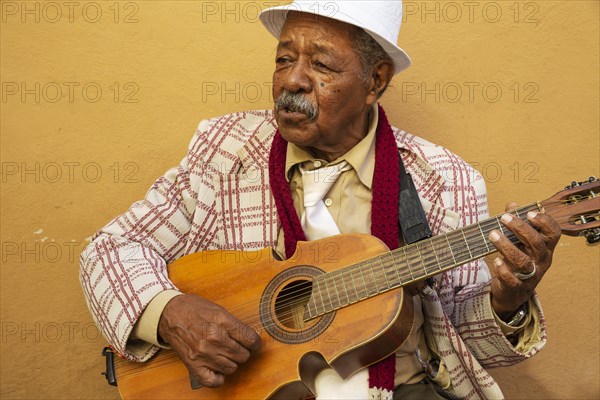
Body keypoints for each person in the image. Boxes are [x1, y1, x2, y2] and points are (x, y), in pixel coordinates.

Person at [80, 1, 561, 399]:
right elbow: (107, 250)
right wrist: (169, 314)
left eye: (323, 65)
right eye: (284, 59)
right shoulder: (225, 149)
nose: (292, 81)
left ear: (375, 81)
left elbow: (466, 344)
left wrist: (510, 301)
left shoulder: (446, 179)